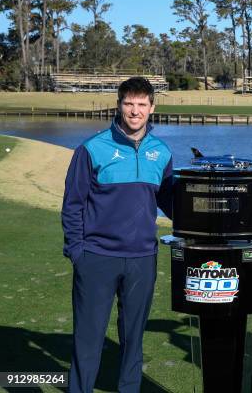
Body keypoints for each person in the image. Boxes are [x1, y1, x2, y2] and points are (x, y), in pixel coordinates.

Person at [61, 77, 173, 392]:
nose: (134, 111)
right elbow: (72, 205)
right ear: (119, 105)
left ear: (152, 107)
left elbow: (167, 199)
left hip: (142, 259)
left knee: (133, 340)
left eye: (141, 104)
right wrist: (77, 252)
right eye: (128, 103)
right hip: (97, 258)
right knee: (88, 340)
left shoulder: (161, 152)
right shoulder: (91, 149)